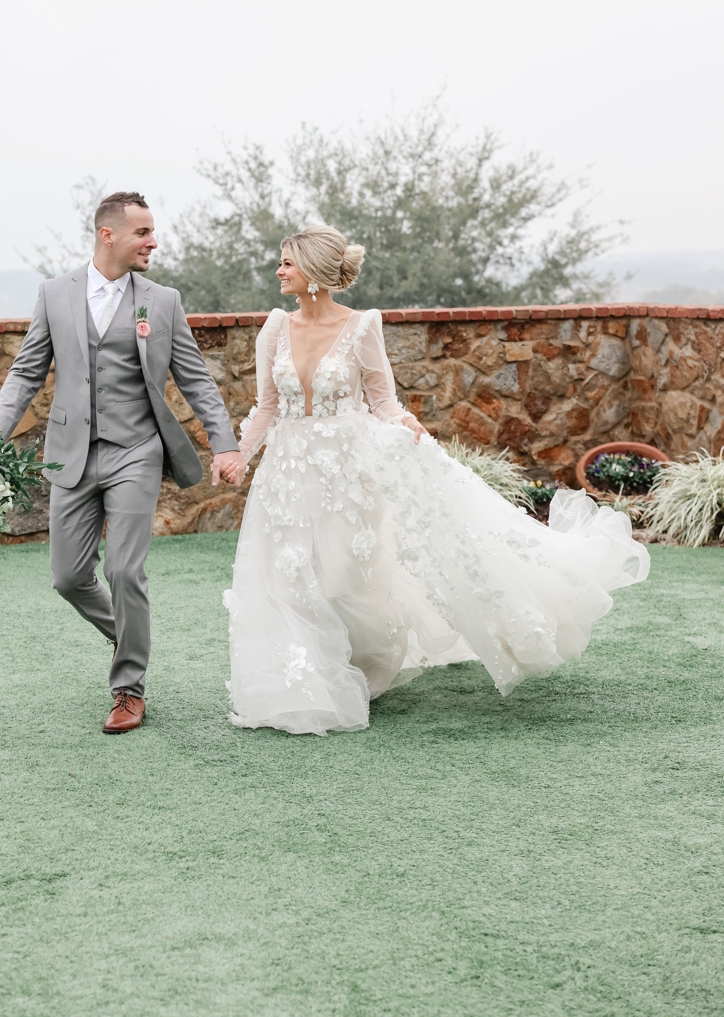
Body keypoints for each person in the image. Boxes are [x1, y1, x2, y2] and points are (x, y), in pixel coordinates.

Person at [223, 225, 650, 736]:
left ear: (313, 270)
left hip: (348, 470)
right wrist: (240, 456)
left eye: (287, 262)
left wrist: (407, 424)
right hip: (288, 472)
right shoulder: (275, 329)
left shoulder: (361, 326)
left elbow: (382, 400)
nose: (279, 270)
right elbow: (267, 405)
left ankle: (363, 663)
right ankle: (306, 677)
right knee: (290, 574)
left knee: (340, 575)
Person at [0, 191, 243, 734]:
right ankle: (129, 636)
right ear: (108, 235)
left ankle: (129, 689)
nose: (153, 242)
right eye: (142, 233)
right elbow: (26, 373)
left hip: (136, 451)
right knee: (68, 577)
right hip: (71, 453)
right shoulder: (55, 294)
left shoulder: (163, 301)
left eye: (152, 232)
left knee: (124, 569)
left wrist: (225, 443)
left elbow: (195, 378)